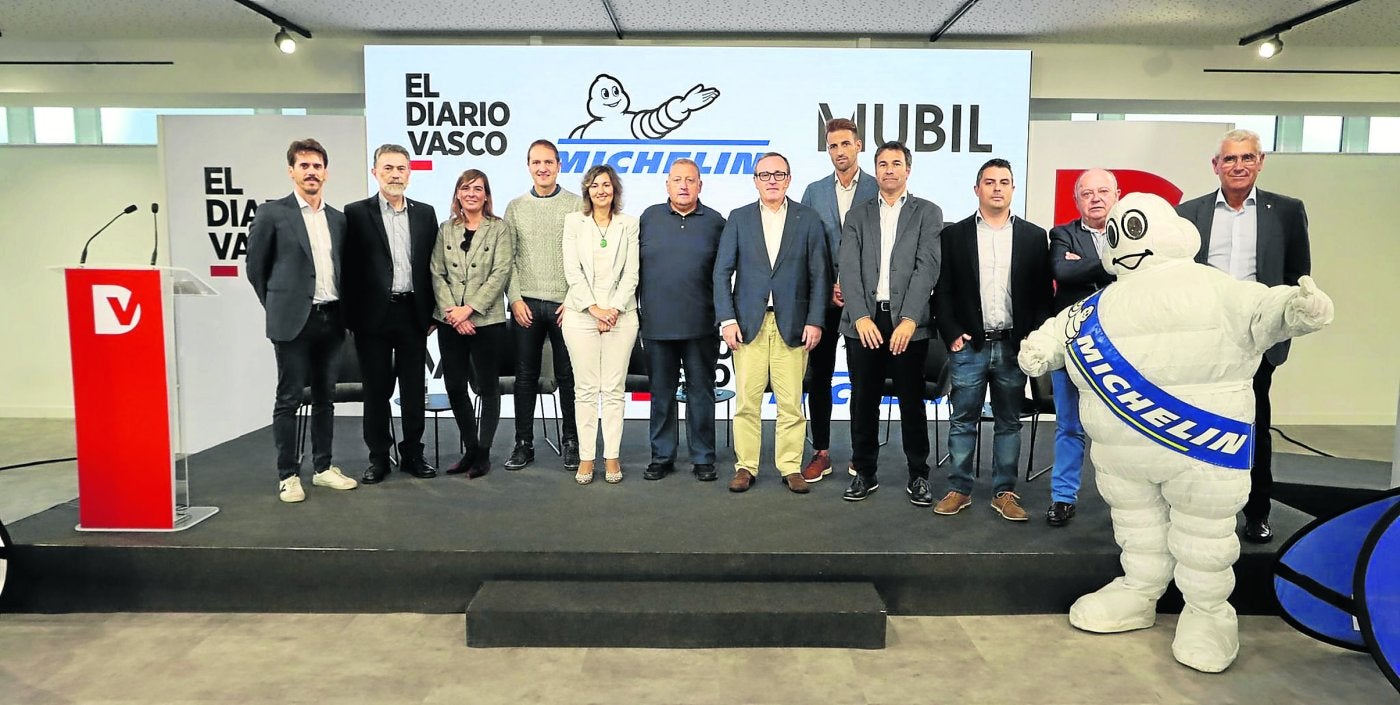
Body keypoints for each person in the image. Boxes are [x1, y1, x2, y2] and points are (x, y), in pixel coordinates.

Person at [1019, 192, 1332, 673]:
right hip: (1123, 456)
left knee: (1204, 534)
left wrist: (1296, 307)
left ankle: (1207, 612)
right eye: (1116, 234)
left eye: (1134, 229)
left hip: (1200, 446)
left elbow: (1263, 308)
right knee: (1136, 527)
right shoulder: (1101, 304)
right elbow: (1059, 331)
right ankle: (1139, 588)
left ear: (1176, 233)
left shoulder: (1215, 287)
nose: (1124, 243)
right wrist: (1040, 348)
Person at [1176, 129, 1312, 545]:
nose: (1239, 166)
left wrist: (1280, 329)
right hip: (1203, 339)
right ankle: (1197, 512)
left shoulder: (1286, 211)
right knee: (1195, 426)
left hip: (1257, 341)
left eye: (1247, 158)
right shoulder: (1189, 213)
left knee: (1255, 426)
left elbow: (1297, 276)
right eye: (1230, 159)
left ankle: (1257, 513)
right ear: (1216, 165)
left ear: (1260, 161)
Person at [932, 158, 1052, 521]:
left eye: (1004, 182)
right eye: (989, 182)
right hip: (969, 346)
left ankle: (1005, 492)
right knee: (962, 421)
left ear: (1013, 188)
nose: (997, 188)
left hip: (1013, 346)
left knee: (1009, 423)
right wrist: (952, 334)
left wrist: (1032, 336)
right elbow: (942, 292)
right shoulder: (954, 235)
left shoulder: (1034, 236)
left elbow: (1042, 295)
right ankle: (959, 489)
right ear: (977, 189)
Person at [245, 138, 358, 502]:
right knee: (289, 398)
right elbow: (256, 269)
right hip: (293, 322)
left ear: (326, 173)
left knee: (325, 398)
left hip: (332, 319)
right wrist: (278, 306)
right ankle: (288, 475)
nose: (311, 172)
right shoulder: (272, 214)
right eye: (304, 166)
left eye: (317, 166)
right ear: (291, 171)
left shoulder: (338, 219)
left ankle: (323, 468)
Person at [713, 152, 829, 494]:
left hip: (793, 326)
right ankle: (745, 466)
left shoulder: (808, 219)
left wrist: (816, 320)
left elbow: (820, 274)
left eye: (779, 174)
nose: (772, 180)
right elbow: (721, 273)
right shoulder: (739, 218)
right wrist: (727, 320)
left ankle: (790, 466)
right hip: (749, 325)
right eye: (765, 175)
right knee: (747, 403)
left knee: (790, 404)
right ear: (755, 181)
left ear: (789, 179)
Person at [837, 141, 943, 503]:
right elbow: (848, 268)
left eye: (896, 163)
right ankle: (864, 473)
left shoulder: (927, 212)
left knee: (911, 400)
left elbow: (927, 268)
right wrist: (860, 316)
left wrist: (910, 318)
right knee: (863, 400)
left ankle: (919, 475)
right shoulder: (858, 215)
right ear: (876, 170)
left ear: (907, 170)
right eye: (882, 164)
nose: (889, 170)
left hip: (908, 323)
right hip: (864, 321)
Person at [342, 144, 440, 484]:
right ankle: (379, 458)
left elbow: (432, 268)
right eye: (388, 168)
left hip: (413, 314)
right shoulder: (355, 213)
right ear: (375, 172)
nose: (395, 175)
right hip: (372, 318)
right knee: (376, 391)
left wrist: (433, 313)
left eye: (401, 168)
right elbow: (348, 270)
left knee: (413, 390)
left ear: (409, 174)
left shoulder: (425, 213)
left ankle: (413, 453)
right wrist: (351, 317)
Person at [799, 117, 878, 483]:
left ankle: (862, 455)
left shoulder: (878, 187)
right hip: (823, 298)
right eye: (833, 145)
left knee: (864, 379)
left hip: (867, 300)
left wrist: (853, 285)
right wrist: (830, 284)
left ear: (858, 145)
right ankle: (821, 451)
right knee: (820, 376)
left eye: (846, 143)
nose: (840, 151)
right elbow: (806, 245)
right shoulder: (814, 192)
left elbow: (885, 247)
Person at [638, 159, 726, 482]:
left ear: (700, 185)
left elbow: (725, 273)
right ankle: (662, 456)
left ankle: (703, 457)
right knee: (661, 395)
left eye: (690, 180)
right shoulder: (648, 218)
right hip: (657, 325)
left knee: (701, 393)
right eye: (677, 180)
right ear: (667, 185)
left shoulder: (716, 222)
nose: (684, 186)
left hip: (701, 325)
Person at [503, 140, 585, 471]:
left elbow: (585, 257)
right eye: (536, 162)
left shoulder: (577, 204)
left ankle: (572, 442)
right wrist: (514, 298)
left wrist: (575, 299)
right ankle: (523, 444)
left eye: (548, 162)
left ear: (559, 165)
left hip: (566, 306)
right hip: (526, 305)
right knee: (525, 378)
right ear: (528, 166)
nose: (543, 168)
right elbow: (507, 259)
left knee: (568, 377)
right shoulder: (515, 207)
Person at [1045, 168, 1119, 526]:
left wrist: (1084, 265)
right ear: (1076, 200)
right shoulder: (1062, 234)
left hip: (1122, 348)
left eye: (1103, 191)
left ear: (1117, 195)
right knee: (1069, 426)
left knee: (1123, 430)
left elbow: (1140, 274)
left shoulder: (1132, 232)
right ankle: (1063, 498)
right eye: (1087, 193)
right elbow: (1063, 272)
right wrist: (1111, 265)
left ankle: (1126, 500)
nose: (1095, 199)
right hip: (1073, 346)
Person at [430, 169, 514, 479]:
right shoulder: (445, 229)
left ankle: (484, 453)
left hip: (486, 321)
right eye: (466, 188)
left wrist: (469, 310)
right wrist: (453, 313)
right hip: (450, 320)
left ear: (486, 195)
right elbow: (436, 272)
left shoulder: (500, 229)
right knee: (454, 386)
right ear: (457, 194)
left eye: (478, 188)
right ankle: (470, 448)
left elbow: (501, 273)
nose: (471, 194)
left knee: (487, 387)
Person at [561, 165, 640, 484]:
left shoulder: (629, 224)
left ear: (614, 189)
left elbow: (632, 273)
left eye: (606, 185)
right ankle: (585, 458)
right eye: (595, 185)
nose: (601, 190)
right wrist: (594, 309)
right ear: (587, 190)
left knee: (613, 390)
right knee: (585, 390)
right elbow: (572, 270)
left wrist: (613, 309)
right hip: (581, 315)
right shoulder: (573, 222)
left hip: (622, 317)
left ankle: (611, 457)